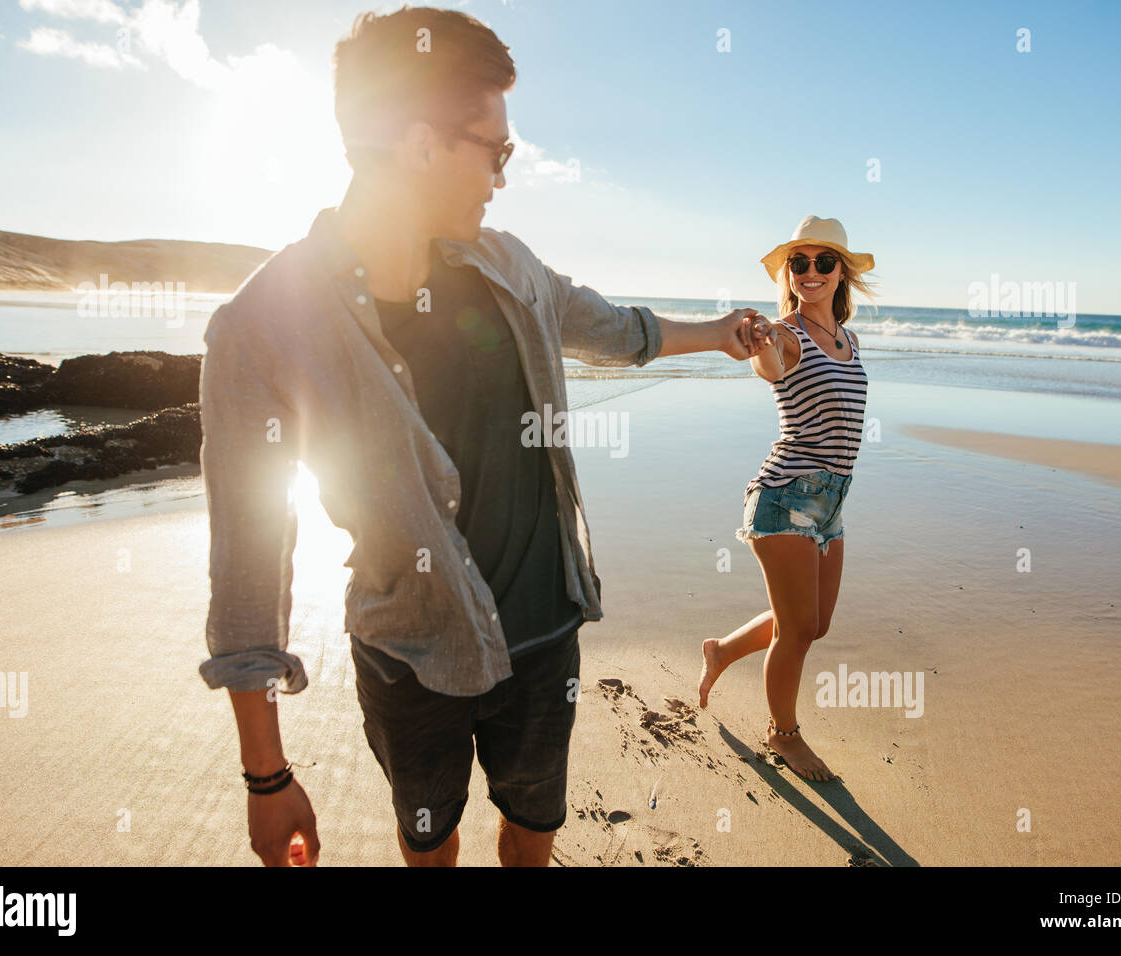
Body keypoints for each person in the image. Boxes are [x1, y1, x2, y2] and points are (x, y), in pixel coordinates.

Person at [197, 5, 772, 867]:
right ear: (421, 144)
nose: (503, 178)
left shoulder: (510, 264)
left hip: (545, 635)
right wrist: (268, 780)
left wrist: (720, 332)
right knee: (429, 847)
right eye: (496, 152)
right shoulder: (264, 324)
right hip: (409, 656)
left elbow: (617, 329)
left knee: (532, 837)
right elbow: (249, 562)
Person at [698, 215, 876, 783]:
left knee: (812, 624)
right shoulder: (786, 333)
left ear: (841, 270)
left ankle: (722, 652)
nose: (811, 272)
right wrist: (760, 344)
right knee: (796, 630)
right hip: (785, 497)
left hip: (833, 503)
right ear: (790, 273)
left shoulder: (847, 338)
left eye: (824, 262)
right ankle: (782, 734)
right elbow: (769, 366)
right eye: (799, 263)